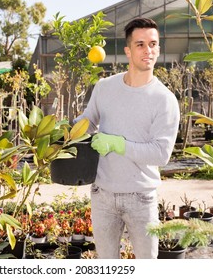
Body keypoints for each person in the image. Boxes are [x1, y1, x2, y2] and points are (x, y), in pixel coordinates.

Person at [74, 17, 180, 259]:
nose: (148, 50)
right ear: (128, 50)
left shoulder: (164, 99)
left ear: (159, 49)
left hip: (141, 198)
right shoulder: (104, 87)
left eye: (153, 44)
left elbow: (161, 154)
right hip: (103, 195)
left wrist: (117, 144)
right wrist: (69, 129)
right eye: (140, 44)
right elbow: (89, 119)